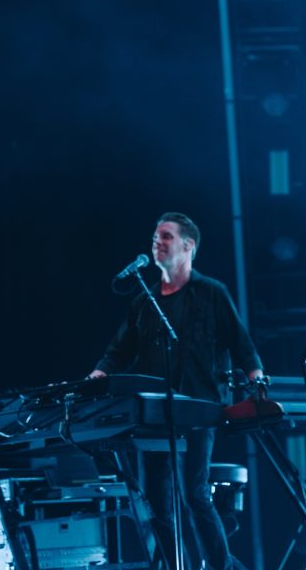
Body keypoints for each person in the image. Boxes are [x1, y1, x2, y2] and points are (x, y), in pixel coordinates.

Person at [91, 211, 263, 570]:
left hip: (198, 408)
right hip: (152, 413)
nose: (157, 242)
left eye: (166, 236)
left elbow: (240, 341)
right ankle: (175, 565)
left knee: (194, 494)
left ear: (188, 245)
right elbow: (119, 349)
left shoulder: (211, 292)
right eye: (155, 237)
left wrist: (256, 375)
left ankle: (221, 567)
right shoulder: (144, 302)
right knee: (154, 503)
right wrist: (100, 372)